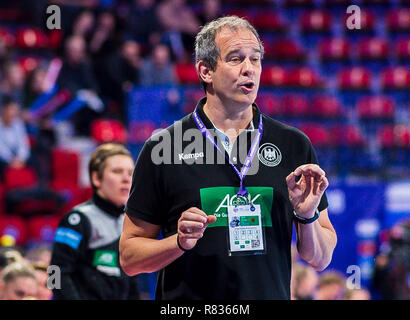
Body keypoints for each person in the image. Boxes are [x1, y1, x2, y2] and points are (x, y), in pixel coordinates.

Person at [120, 16, 337, 300]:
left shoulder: (293, 145)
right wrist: (179, 242)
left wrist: (307, 216)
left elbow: (320, 258)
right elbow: (130, 258)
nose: (249, 69)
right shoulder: (163, 147)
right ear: (206, 71)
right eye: (235, 59)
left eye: (255, 59)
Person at [50, 143, 140, 299]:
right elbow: (55, 274)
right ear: (96, 178)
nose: (126, 179)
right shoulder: (77, 220)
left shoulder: (131, 223)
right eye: (117, 171)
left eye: (131, 173)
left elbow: (132, 282)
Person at [0, 96, 30, 179]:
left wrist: (21, 158)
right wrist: (10, 160)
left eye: (16, 110)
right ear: (3, 110)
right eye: (12, 109)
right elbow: (1, 148)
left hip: (18, 158)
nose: (14, 113)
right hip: (4, 159)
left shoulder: (18, 123)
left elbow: (23, 144)